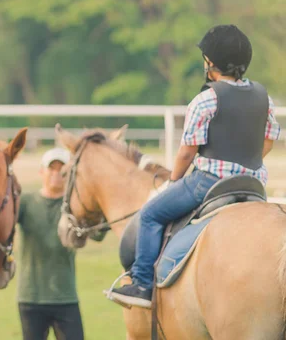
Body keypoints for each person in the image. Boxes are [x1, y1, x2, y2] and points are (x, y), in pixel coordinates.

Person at [109, 24, 281, 308]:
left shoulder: (206, 100)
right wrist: (246, 164)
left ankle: (141, 285)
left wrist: (174, 180)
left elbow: (187, 153)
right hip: (253, 184)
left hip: (208, 182)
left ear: (211, 63)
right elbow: (269, 141)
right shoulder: (265, 98)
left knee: (151, 213)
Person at [16, 147, 85, 340]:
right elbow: (3, 227)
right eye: (51, 168)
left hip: (66, 296)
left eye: (61, 170)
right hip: (31, 296)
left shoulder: (74, 205)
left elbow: (97, 234)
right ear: (41, 171)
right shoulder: (26, 202)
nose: (56, 174)